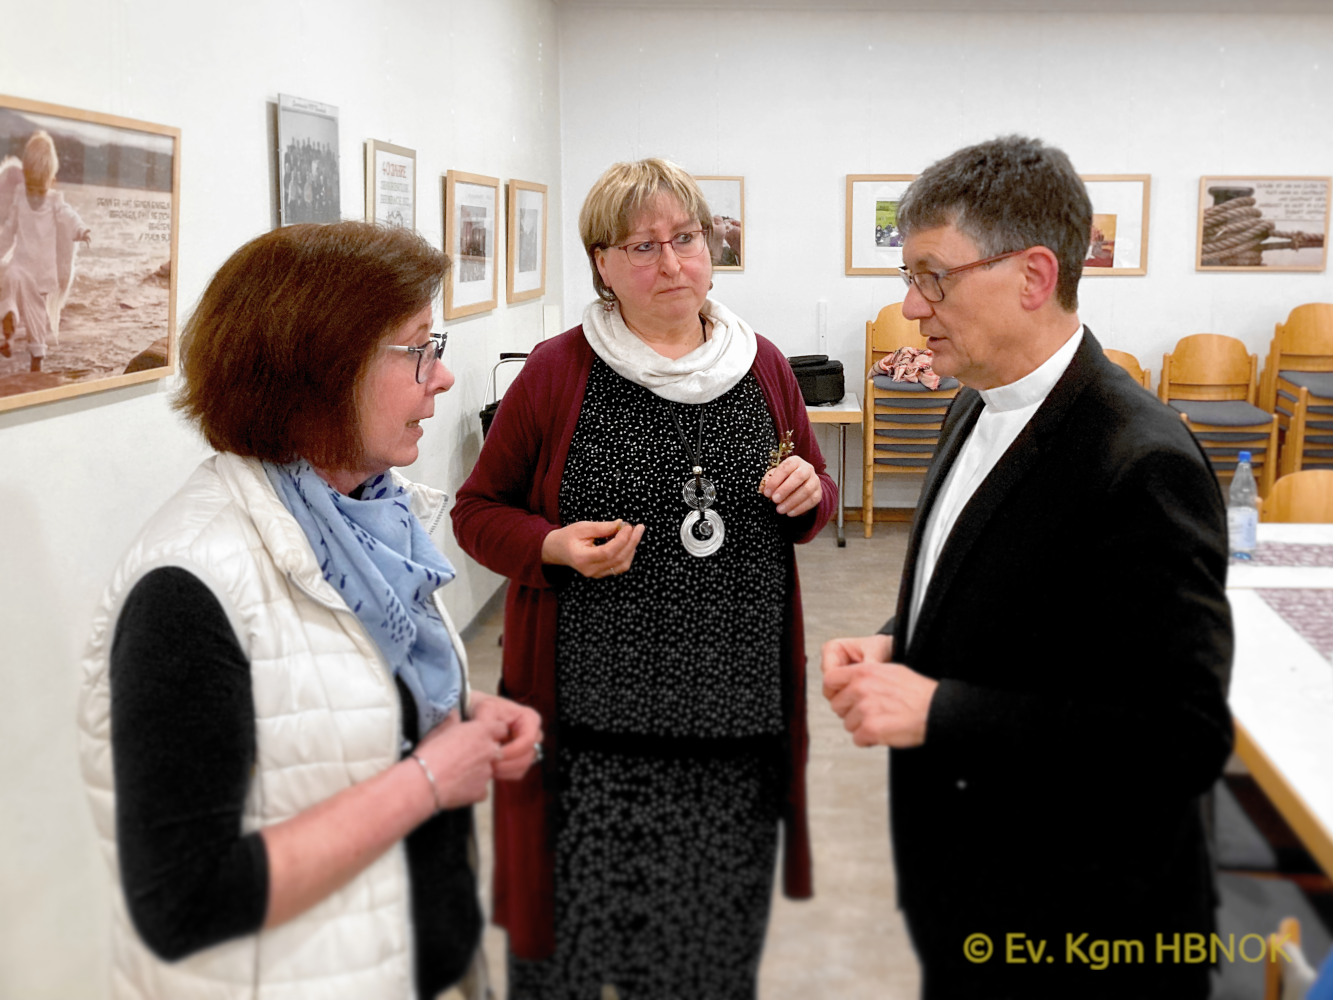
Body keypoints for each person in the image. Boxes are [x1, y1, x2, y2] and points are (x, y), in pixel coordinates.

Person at [77, 221, 541, 1000]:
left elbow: (330, 695)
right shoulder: (188, 588)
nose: (444, 378)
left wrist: (462, 711)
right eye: (419, 349)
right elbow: (183, 901)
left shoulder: (366, 522)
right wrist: (430, 777)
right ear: (322, 371)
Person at [821, 136, 1233, 1000]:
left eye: (932, 275)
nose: (908, 305)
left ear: (1033, 276)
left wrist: (942, 708)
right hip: (968, 898)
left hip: (1081, 928)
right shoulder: (970, 407)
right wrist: (904, 643)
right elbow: (1002, 600)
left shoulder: (1138, 460)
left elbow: (1178, 739)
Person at [452, 157, 836, 999]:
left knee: (704, 965)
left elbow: (805, 490)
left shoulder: (761, 364)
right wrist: (551, 548)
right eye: (642, 247)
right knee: (577, 961)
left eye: (686, 239)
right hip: (594, 741)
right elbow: (477, 510)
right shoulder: (558, 373)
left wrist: (811, 492)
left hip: (735, 729)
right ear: (601, 263)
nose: (671, 265)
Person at [0, 130, 91, 371]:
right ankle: (35, 358)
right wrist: (80, 230)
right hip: (39, 271)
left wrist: (80, 230)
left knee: (10, 288)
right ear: (49, 175)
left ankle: (9, 328)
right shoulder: (49, 200)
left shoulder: (39, 199)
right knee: (35, 313)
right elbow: (69, 218)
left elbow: (9, 231)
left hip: (24, 267)